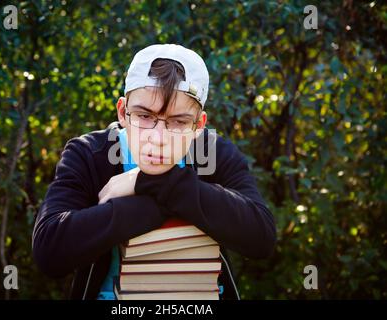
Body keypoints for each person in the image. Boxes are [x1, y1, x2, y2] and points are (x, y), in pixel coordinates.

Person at [32, 44, 276, 300]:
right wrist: (164, 199)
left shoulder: (212, 153)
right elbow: (50, 251)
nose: (158, 138)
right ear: (122, 112)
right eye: (144, 116)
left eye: (179, 122)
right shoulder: (91, 154)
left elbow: (261, 237)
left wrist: (146, 181)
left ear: (199, 126)